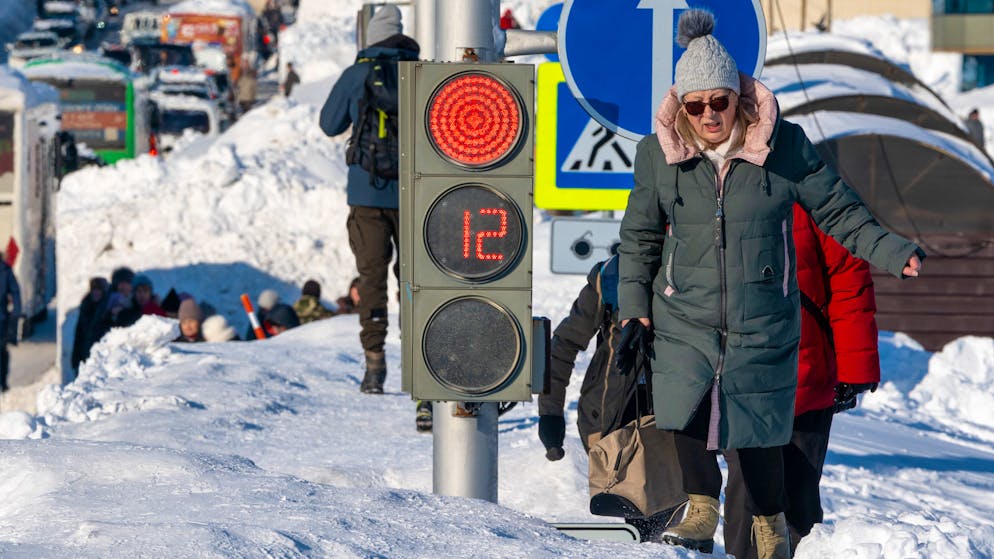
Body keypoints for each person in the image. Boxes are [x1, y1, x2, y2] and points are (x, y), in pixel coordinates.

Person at [617, 10, 923, 558]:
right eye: (695, 105)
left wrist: (892, 251)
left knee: (755, 421)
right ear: (680, 107)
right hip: (684, 308)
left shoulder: (783, 147)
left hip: (762, 311)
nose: (709, 115)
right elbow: (638, 239)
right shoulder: (656, 156)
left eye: (719, 101)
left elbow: (839, 210)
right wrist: (632, 308)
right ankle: (701, 505)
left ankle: (768, 519)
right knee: (684, 398)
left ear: (738, 96)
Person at [723, 205, 881, 558]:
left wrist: (853, 370)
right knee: (745, 489)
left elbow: (849, 281)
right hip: (738, 375)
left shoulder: (816, 195)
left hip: (806, 377)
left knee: (801, 492)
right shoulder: (714, 188)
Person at [537, 254, 684, 541]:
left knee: (662, 522)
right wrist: (550, 413)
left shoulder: (700, 270)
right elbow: (564, 344)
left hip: (674, 418)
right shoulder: (610, 277)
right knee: (643, 523)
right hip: (612, 421)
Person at [319, 4, 419, 394]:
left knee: (372, 277)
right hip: (415, 193)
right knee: (414, 282)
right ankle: (419, 367)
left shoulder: (358, 73)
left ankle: (374, 367)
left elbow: (329, 124)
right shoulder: (420, 72)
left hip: (365, 193)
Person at [71, 276, 108, 376]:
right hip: (85, 354)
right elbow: (79, 334)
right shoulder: (86, 306)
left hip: (100, 357)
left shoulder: (107, 307)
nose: (96, 293)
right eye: (94, 289)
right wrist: (75, 359)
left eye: (99, 290)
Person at [0, 259, 21, 392]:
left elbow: (15, 293)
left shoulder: (5, 270)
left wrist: (14, 316)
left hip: (1, 320)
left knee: (1, 352)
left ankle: (3, 382)